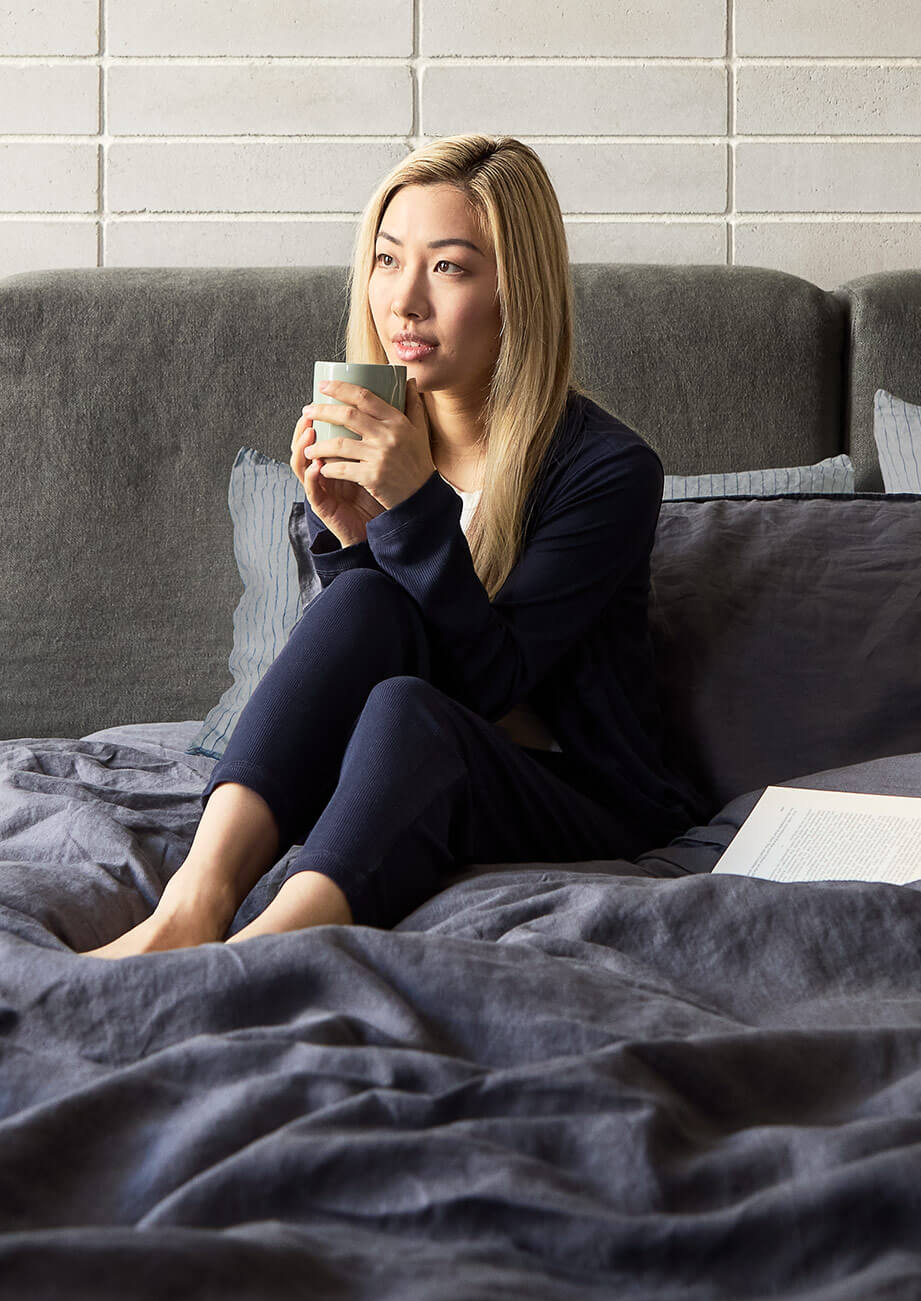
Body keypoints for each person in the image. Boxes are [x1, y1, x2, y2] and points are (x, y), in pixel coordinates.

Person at [89, 134, 709, 958]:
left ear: (513, 291)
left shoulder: (608, 470)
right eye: (387, 260)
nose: (404, 301)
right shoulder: (373, 433)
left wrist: (415, 503)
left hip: (576, 790)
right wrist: (352, 537)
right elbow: (368, 653)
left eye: (448, 267)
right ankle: (189, 912)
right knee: (367, 608)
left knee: (409, 710)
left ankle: (263, 951)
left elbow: (490, 684)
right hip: (406, 755)